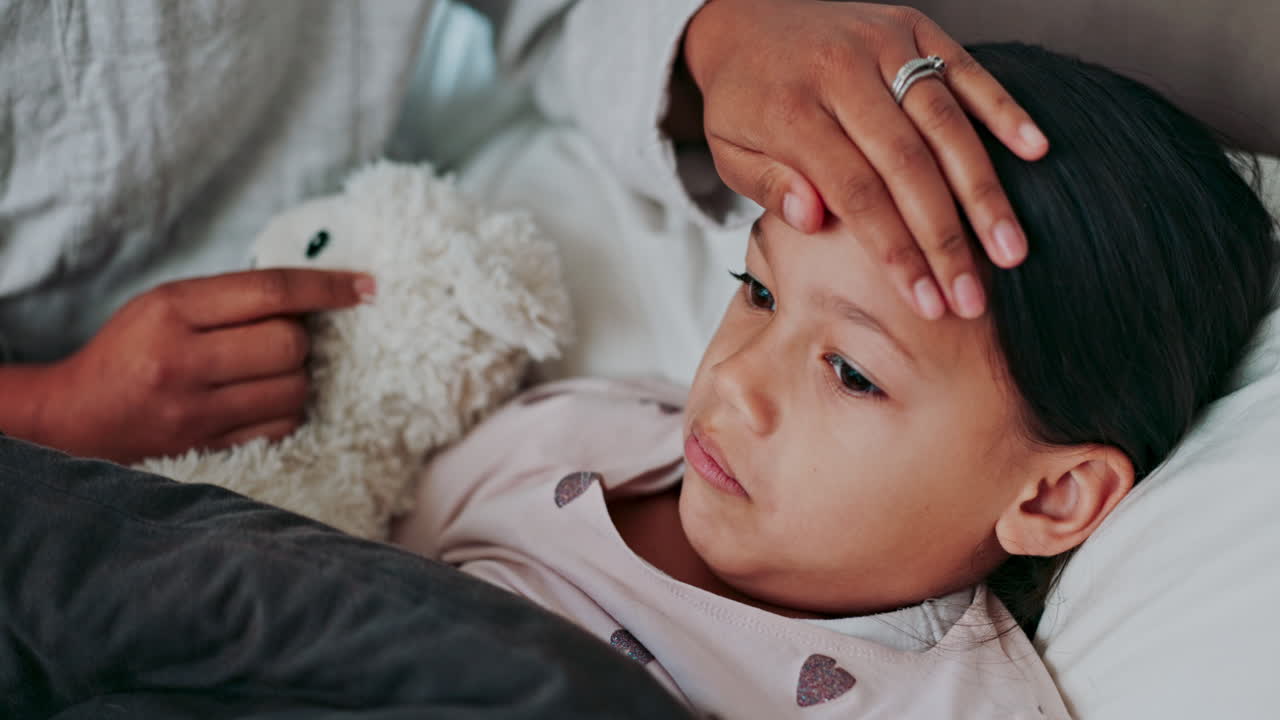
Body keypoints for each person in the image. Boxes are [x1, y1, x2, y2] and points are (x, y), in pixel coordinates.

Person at [390, 43, 1278, 717]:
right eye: (758, 290)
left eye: (852, 374)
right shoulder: (574, 432)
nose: (736, 381)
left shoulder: (945, 705)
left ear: (1052, 497)